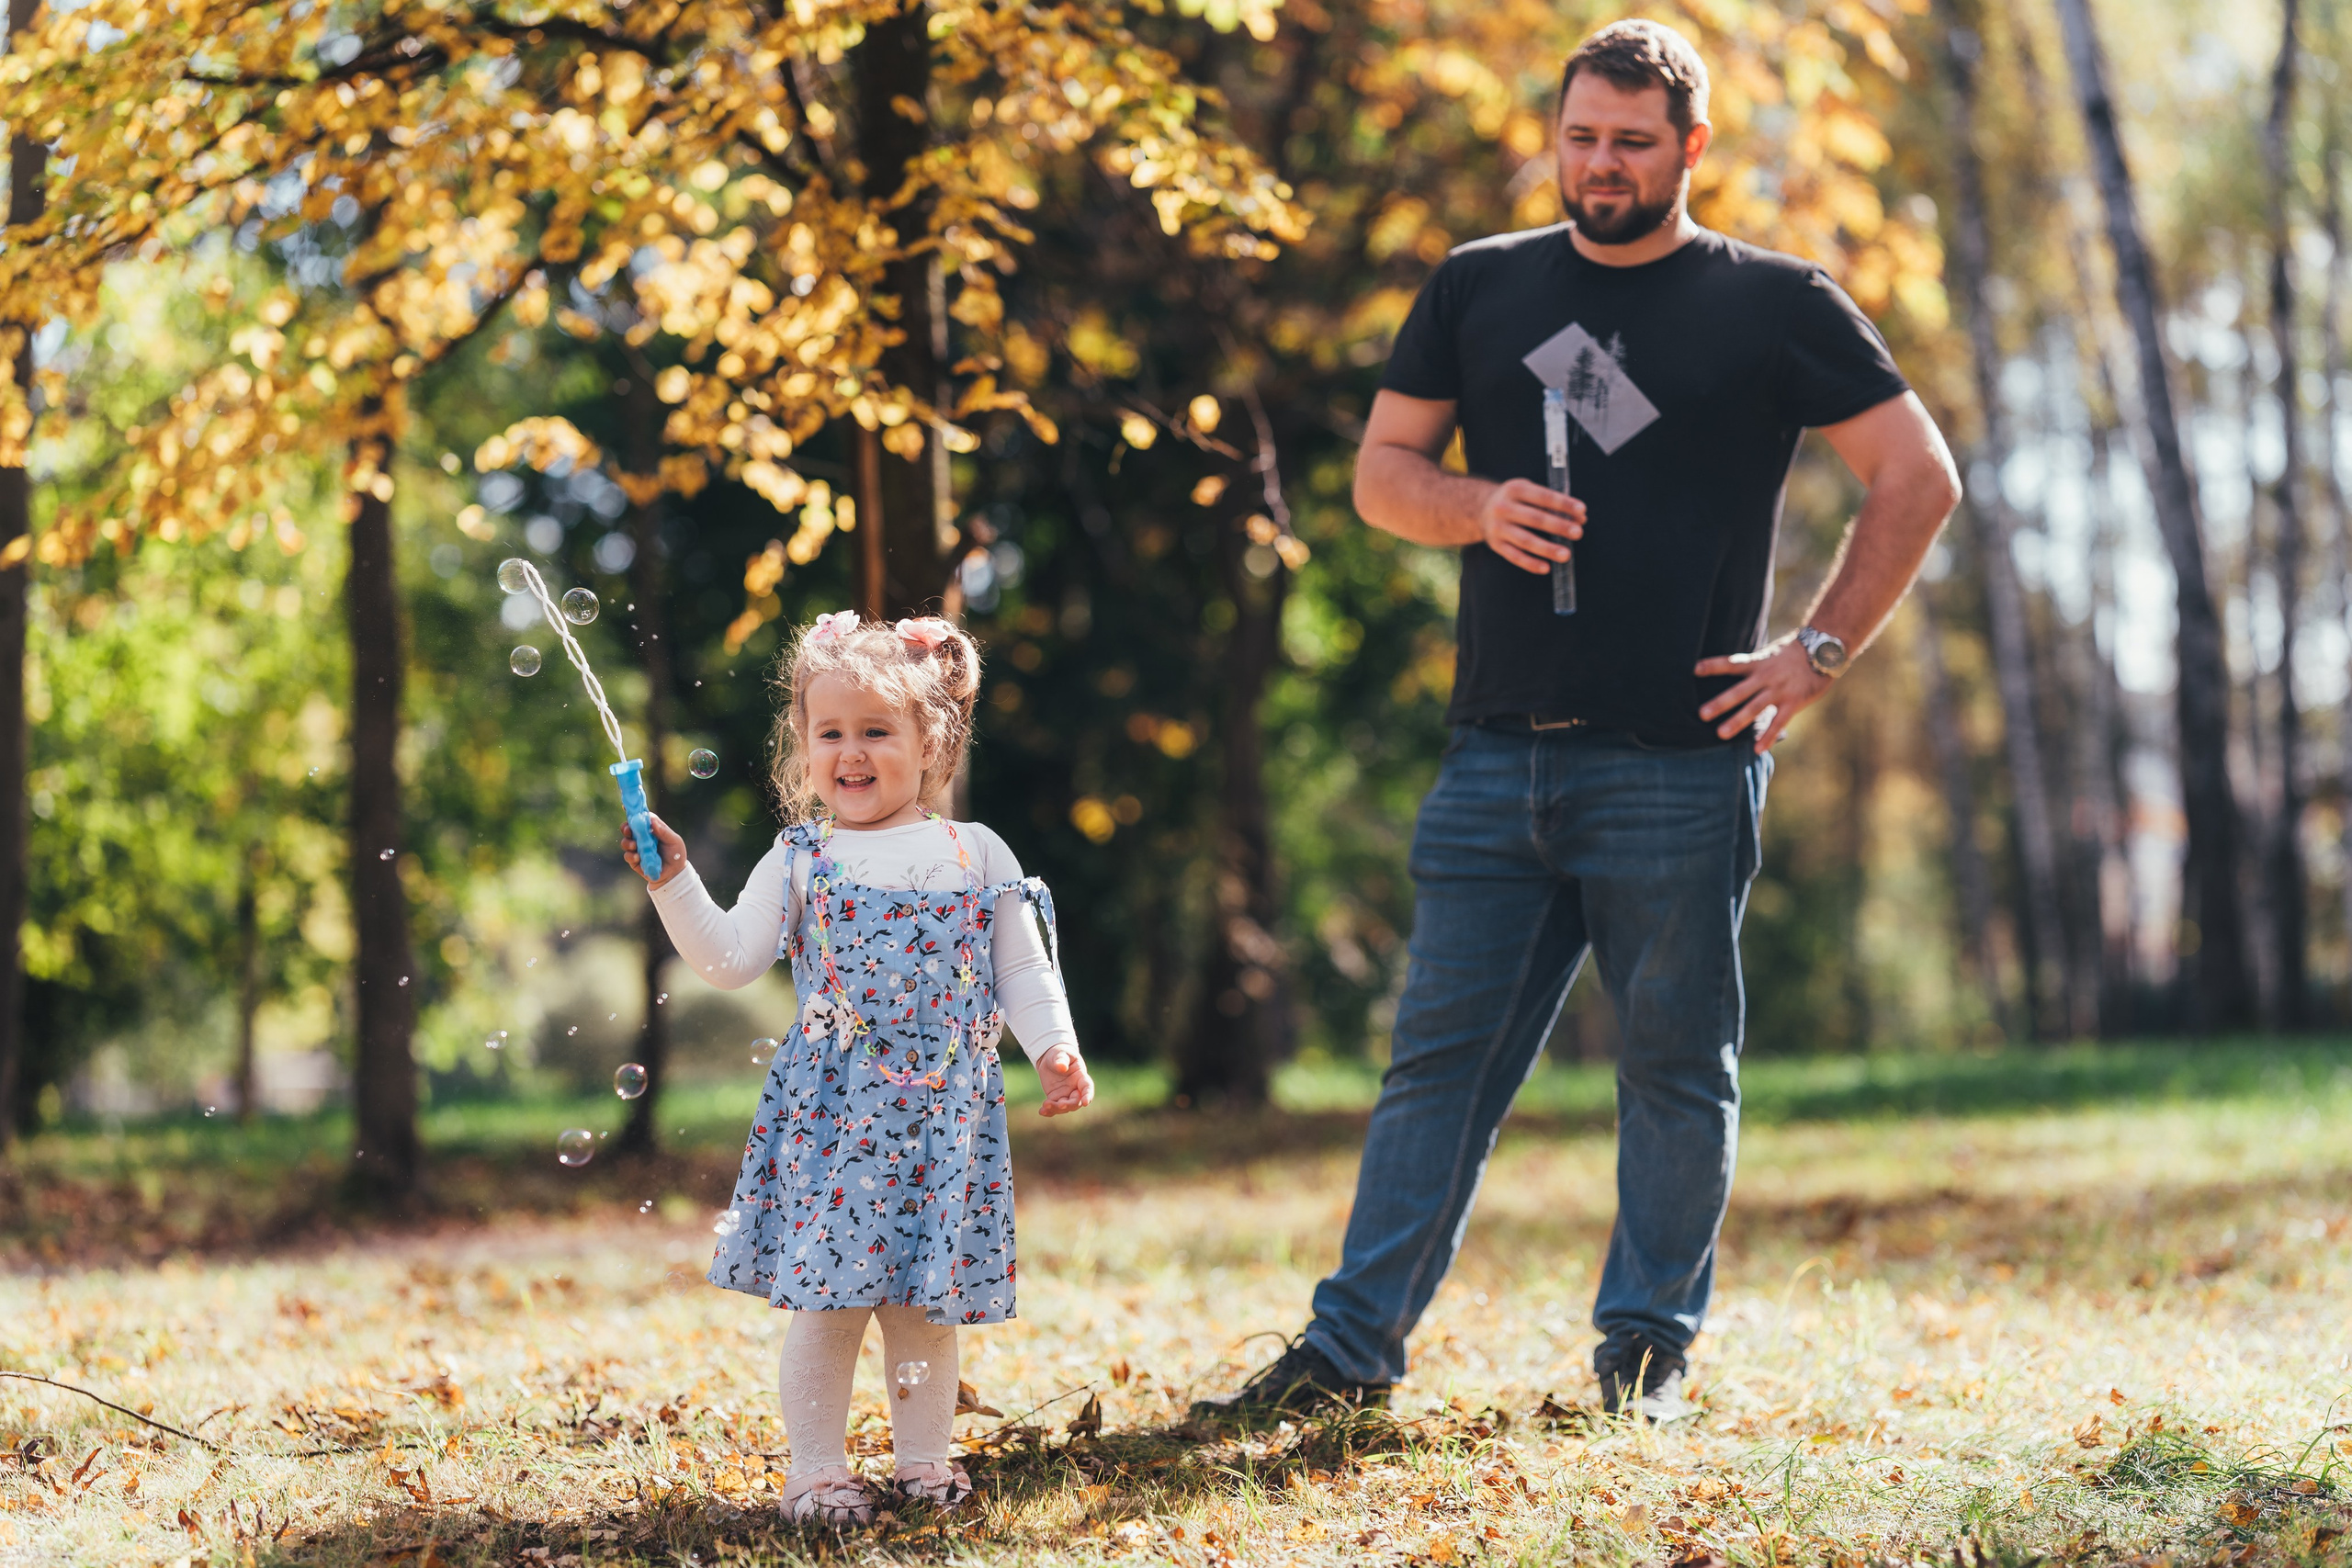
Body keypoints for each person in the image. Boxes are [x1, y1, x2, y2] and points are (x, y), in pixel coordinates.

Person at [1193, 19, 1960, 1423]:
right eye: (1581, 137)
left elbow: (1916, 478)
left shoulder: (1778, 300)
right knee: (1436, 1067)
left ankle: (1644, 1361)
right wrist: (1476, 506)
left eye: (1632, 142)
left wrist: (1817, 651)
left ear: (1691, 149)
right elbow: (1380, 475)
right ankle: (1349, 1353)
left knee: (1674, 1071)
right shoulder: (1481, 286)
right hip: (1493, 752)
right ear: (1554, 135)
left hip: (1681, 758)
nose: (1600, 165)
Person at [625, 610, 1097, 1525]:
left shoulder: (975, 851)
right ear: (800, 748)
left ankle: (923, 1464)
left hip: (946, 1116)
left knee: (927, 1306)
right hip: (837, 1117)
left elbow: (1020, 967)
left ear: (932, 740)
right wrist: (673, 881)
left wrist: (1053, 1047)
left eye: (875, 731)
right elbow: (727, 958)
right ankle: (815, 1474)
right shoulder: (801, 857)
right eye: (827, 733)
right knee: (833, 1303)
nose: (850, 752)